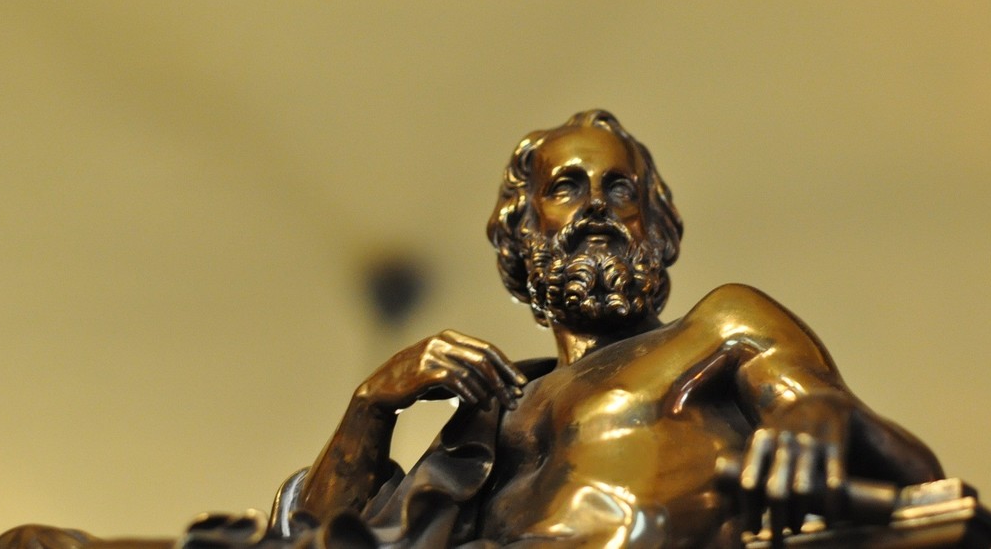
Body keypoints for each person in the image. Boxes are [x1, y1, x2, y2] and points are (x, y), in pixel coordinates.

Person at [293, 110, 943, 547]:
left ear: (653, 227)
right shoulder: (491, 410)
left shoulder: (720, 325)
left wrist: (821, 414)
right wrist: (370, 406)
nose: (597, 206)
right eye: (567, 188)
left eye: (621, 190)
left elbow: (916, 473)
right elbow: (309, 537)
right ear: (524, 231)